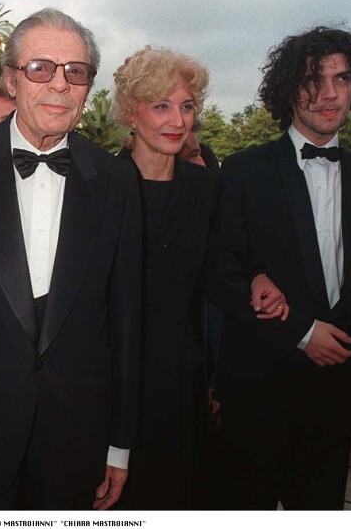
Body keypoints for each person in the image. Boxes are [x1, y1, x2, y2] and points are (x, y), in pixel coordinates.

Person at [0, 8, 142, 511]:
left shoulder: (118, 181)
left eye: (75, 71)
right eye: (41, 68)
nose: (59, 84)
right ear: (12, 80)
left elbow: (125, 324)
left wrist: (119, 443)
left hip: (78, 443)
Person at [203, 26, 351, 509]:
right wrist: (301, 330)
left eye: (340, 78)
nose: (327, 93)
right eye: (311, 80)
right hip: (259, 392)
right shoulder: (242, 170)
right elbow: (219, 270)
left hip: (337, 398)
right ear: (287, 88)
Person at [111, 46, 286, 509]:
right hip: (109, 382)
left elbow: (221, 268)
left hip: (178, 383)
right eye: (161, 105)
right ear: (132, 113)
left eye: (186, 106)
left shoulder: (207, 187)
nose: (177, 120)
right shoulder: (101, 183)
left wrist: (256, 280)